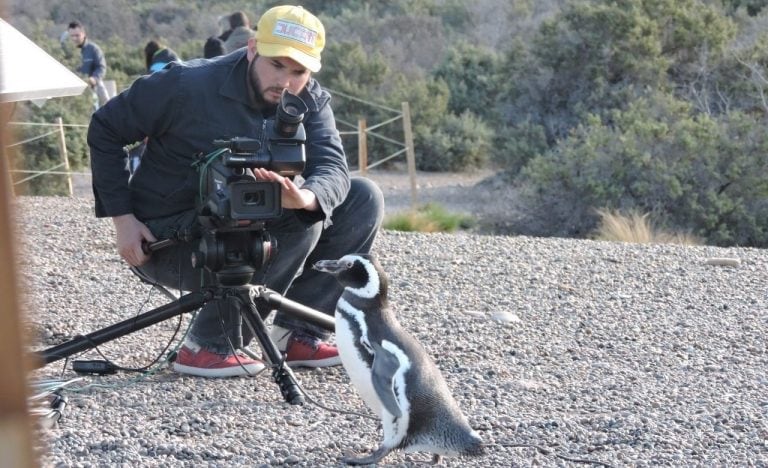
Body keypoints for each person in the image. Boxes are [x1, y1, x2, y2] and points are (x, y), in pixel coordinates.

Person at [88, 5, 385, 378]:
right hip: (167, 241)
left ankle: (298, 334)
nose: (287, 81)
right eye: (277, 65)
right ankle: (210, 344)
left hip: (251, 226)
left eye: (299, 71)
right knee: (294, 222)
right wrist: (123, 219)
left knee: (362, 197)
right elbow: (105, 129)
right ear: (251, 49)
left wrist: (307, 198)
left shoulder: (310, 99)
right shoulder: (185, 85)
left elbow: (333, 168)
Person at [68, 21, 110, 108]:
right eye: (72, 36)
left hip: (93, 86)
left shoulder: (93, 49)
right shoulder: (66, 52)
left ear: (83, 34)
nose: (74, 38)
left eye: (77, 35)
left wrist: (94, 78)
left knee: (106, 105)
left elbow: (101, 67)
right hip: (74, 89)